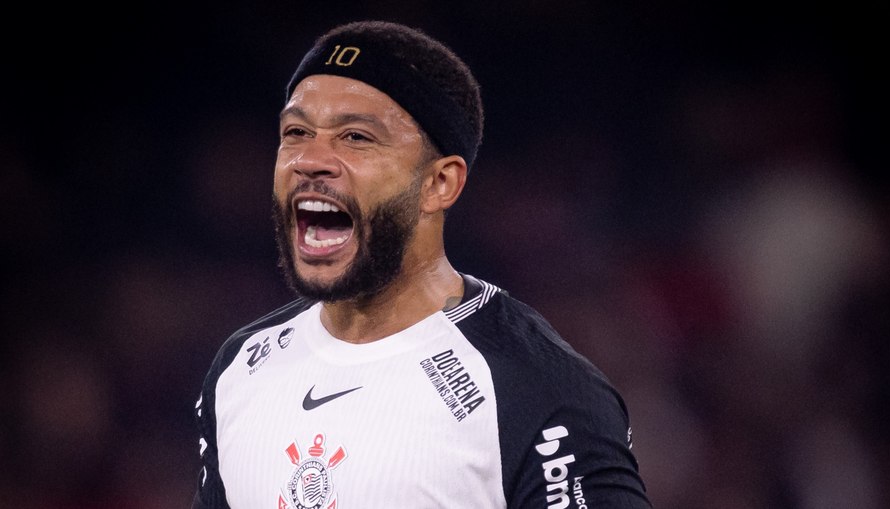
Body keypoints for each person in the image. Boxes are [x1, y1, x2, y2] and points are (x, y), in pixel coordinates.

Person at [192, 20, 651, 509]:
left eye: (355, 137)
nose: (309, 159)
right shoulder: (241, 368)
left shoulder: (539, 392)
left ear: (439, 184)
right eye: (297, 132)